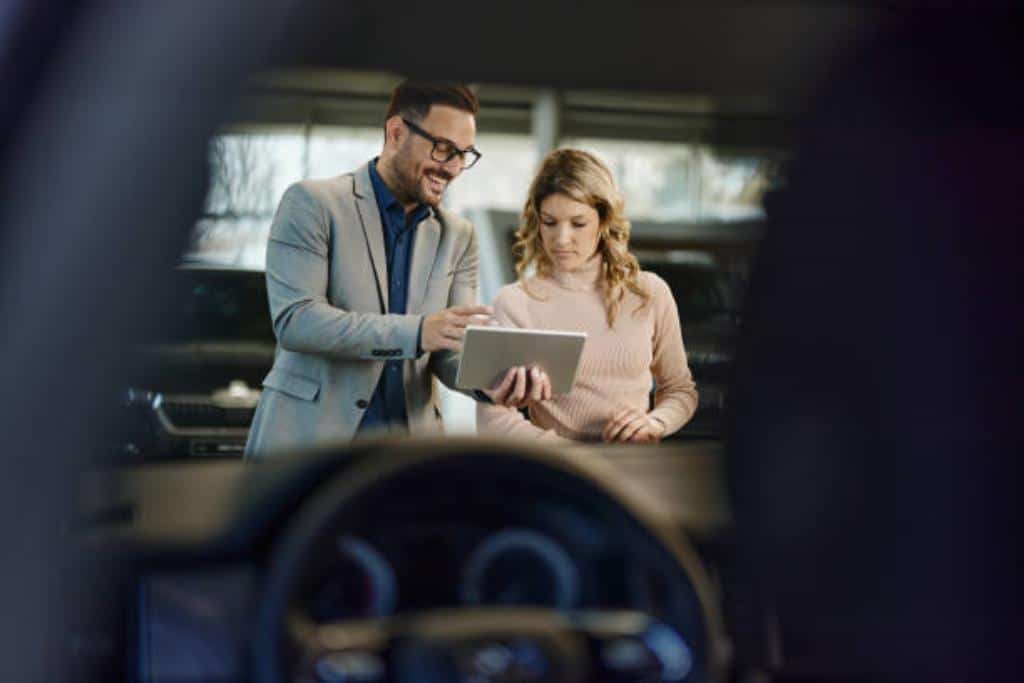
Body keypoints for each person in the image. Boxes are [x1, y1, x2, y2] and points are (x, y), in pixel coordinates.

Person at [245, 81, 545, 458]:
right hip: (309, 445)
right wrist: (418, 332)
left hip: (408, 454)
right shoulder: (312, 204)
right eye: (443, 149)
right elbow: (297, 321)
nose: (453, 168)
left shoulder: (459, 236)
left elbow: (447, 350)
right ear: (396, 133)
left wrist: (494, 381)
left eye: (464, 154)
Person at [477, 148, 698, 442]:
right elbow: (492, 417)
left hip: (636, 464)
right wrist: (572, 459)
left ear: (604, 221)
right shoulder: (515, 303)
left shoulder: (650, 293)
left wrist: (655, 423)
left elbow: (680, 390)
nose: (561, 239)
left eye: (578, 223)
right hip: (560, 471)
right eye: (550, 222)